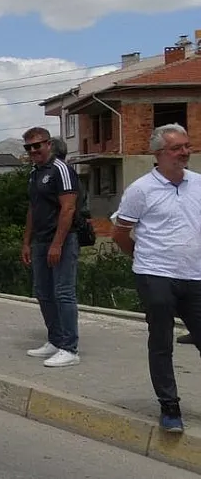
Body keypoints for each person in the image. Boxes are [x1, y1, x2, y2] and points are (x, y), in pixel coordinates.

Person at [111, 123, 201, 433]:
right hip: (156, 274)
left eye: (187, 146)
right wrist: (142, 259)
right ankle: (169, 407)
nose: (185, 153)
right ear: (159, 154)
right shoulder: (141, 189)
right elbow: (120, 233)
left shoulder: (199, 184)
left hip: (195, 275)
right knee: (162, 341)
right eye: (177, 148)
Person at [20, 126, 81, 368]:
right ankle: (55, 340)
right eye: (29, 147)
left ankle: (70, 347)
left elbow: (68, 208)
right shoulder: (35, 173)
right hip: (40, 240)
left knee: (63, 292)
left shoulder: (61, 170)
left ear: (48, 144)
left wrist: (57, 243)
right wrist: (26, 241)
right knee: (42, 292)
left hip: (62, 241)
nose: (33, 151)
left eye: (37, 145)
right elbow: (32, 210)